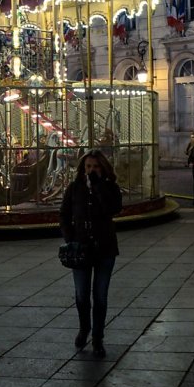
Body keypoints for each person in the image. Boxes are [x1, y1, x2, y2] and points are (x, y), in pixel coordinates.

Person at [60, 149, 121, 359]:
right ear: (82, 168)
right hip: (81, 248)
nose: (91, 170)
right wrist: (70, 238)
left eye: (95, 166)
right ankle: (84, 328)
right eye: (88, 167)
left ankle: (98, 338)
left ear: (102, 168)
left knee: (100, 296)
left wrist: (98, 187)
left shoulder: (109, 187)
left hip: (104, 248)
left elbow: (113, 209)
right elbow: (64, 214)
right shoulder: (74, 188)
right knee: (82, 294)